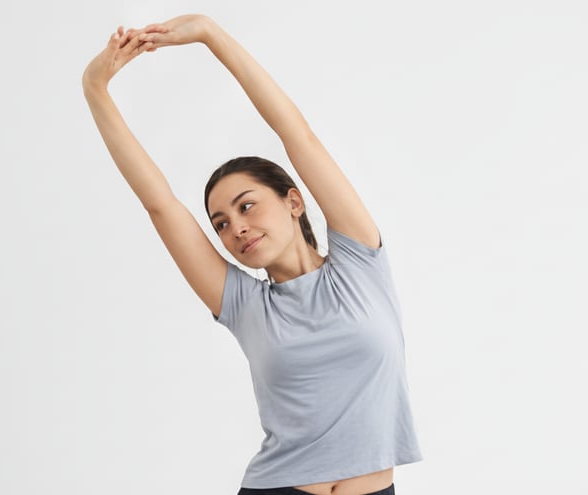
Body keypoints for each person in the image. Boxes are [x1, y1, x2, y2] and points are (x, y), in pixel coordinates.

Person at [82, 14, 422, 495]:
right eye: (220, 223)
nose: (236, 227)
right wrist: (94, 87)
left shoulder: (361, 261)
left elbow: (296, 135)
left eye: (246, 206)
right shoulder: (244, 305)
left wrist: (209, 33)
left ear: (293, 201)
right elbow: (159, 203)